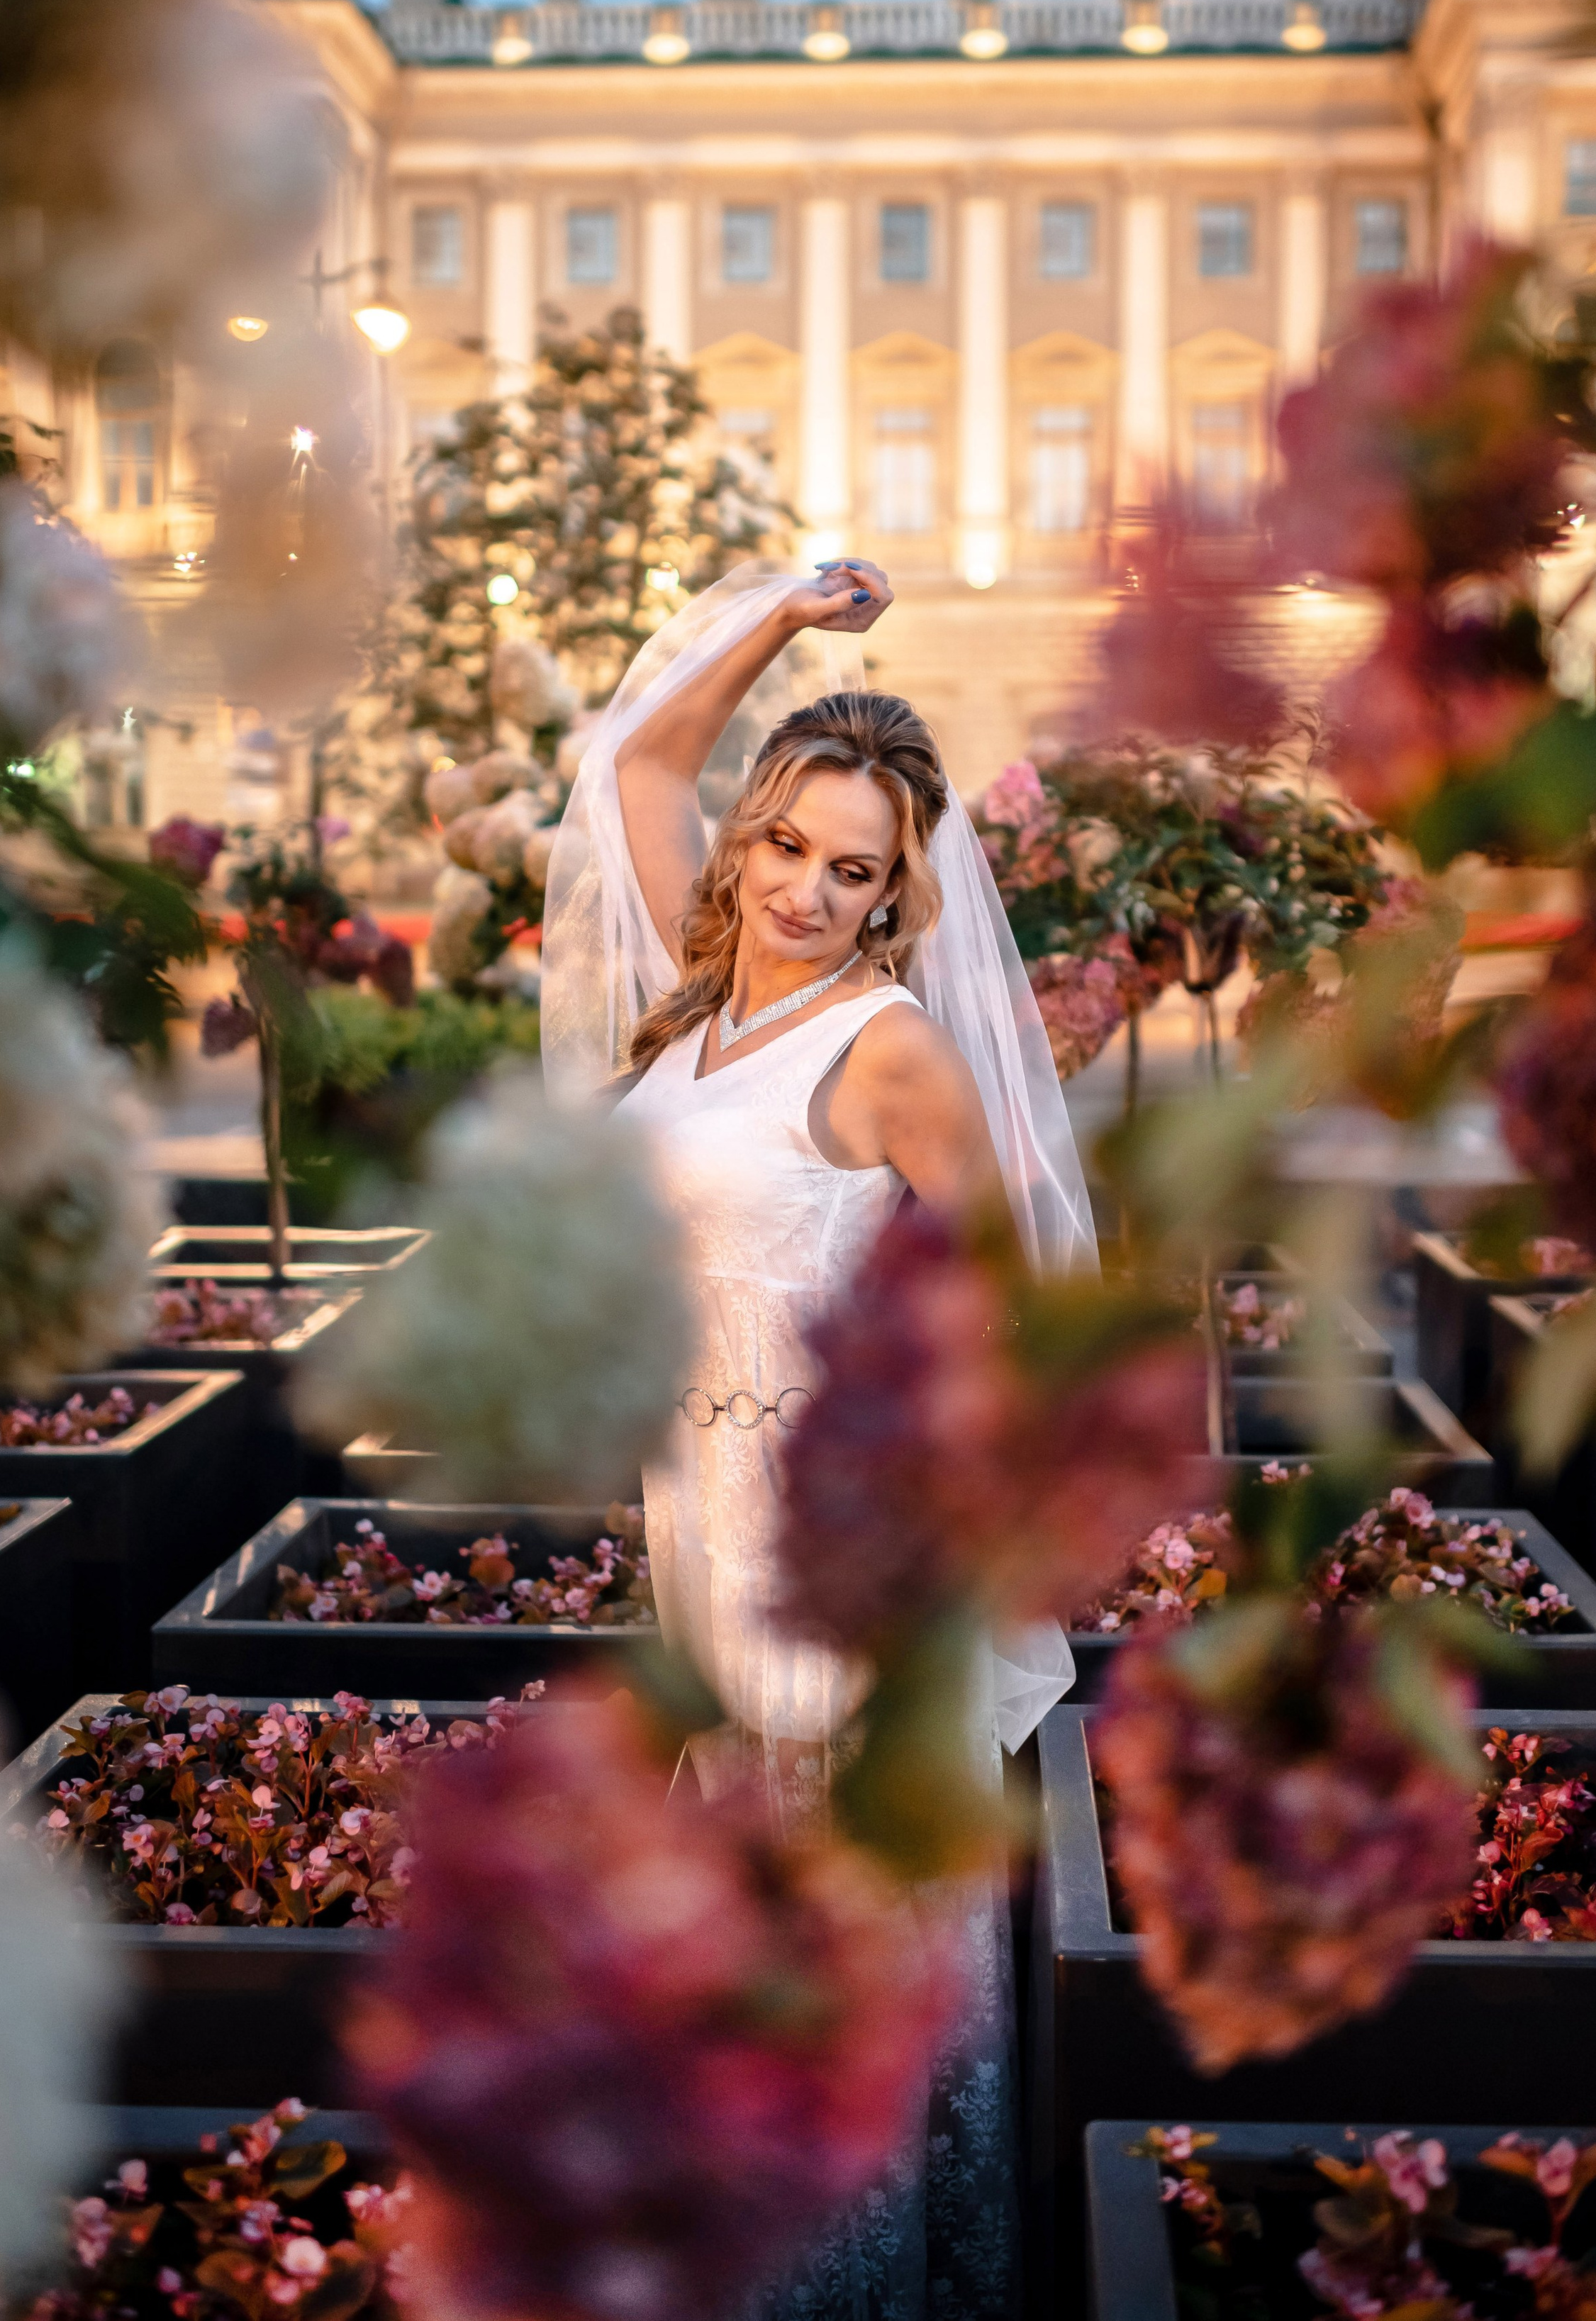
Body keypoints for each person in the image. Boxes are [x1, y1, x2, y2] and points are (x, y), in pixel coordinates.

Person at [539, 555, 1095, 2321]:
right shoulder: (708, 995)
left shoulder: (888, 1047)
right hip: (700, 1524)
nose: (804, 888)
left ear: (895, 893)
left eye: (851, 870)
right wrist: (774, 622)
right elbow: (638, 759)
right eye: (783, 842)